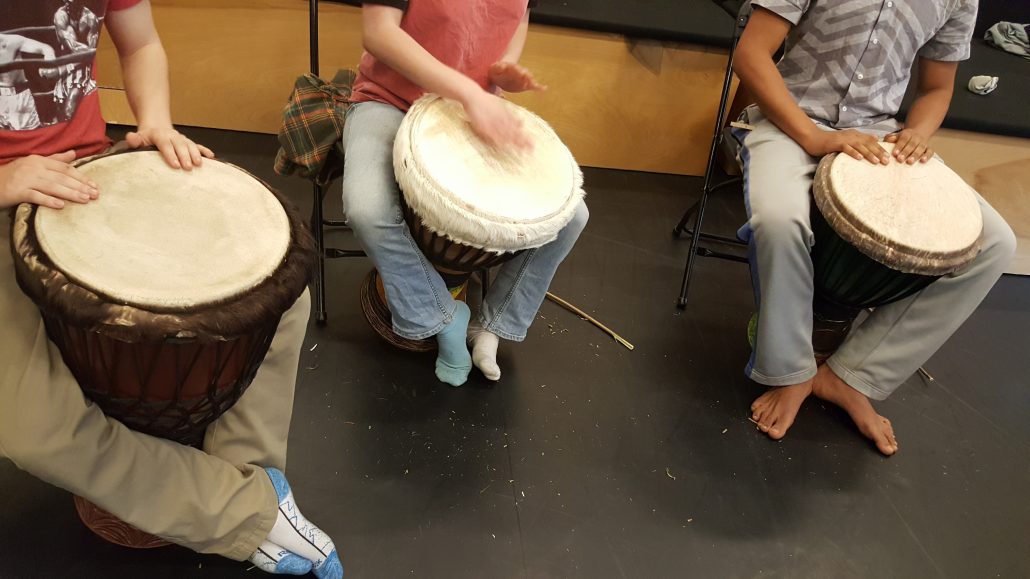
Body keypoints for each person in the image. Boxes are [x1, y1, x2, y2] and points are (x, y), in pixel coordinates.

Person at [0, 1, 341, 576]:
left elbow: (140, 45)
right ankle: (246, 513)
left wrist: (154, 118)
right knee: (32, 430)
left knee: (274, 293)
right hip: (6, 196)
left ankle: (245, 476)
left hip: (89, 173)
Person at [733, 0, 1015, 456]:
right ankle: (790, 370)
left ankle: (851, 375)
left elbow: (936, 89)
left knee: (994, 244)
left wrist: (918, 132)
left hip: (877, 135)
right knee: (780, 220)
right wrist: (813, 136)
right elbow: (751, 54)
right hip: (787, 121)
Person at [344, 0, 589, 386]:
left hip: (464, 112)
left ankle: (493, 325)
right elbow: (378, 32)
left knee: (570, 216)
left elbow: (511, 25)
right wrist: (469, 93)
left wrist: (503, 71)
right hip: (389, 100)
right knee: (366, 208)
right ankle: (442, 316)